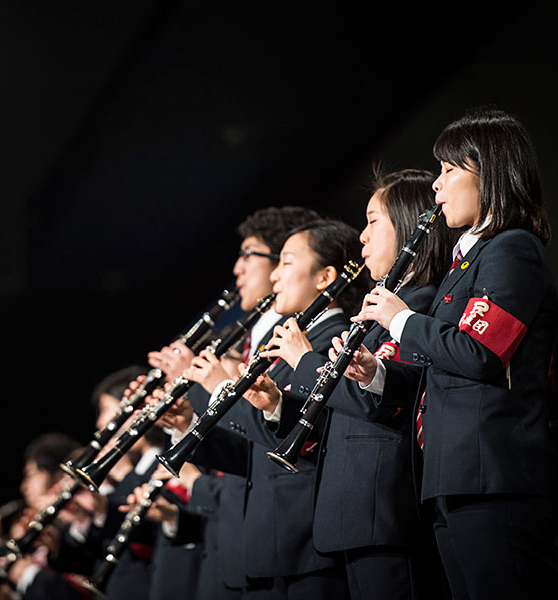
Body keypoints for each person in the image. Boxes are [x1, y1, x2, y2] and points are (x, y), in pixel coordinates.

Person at [342, 108, 558, 599]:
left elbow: (479, 353)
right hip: (455, 479)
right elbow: (440, 372)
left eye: (448, 169)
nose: (436, 187)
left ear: (492, 171)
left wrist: (399, 318)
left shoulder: (512, 248)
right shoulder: (468, 262)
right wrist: (374, 372)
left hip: (494, 479)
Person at [254, 166, 456, 599]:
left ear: (406, 225)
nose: (362, 236)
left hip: (385, 513)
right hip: (355, 517)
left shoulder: (418, 305)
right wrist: (276, 403)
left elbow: (386, 401)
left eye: (372, 221)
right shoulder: (381, 308)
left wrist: (304, 361)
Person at [159, 219, 368, 599]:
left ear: (325, 277)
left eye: (286, 263)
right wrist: (189, 422)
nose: (275, 276)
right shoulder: (292, 342)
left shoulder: (330, 342)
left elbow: (309, 435)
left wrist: (220, 386)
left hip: (307, 542)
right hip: (268, 548)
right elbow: (254, 452)